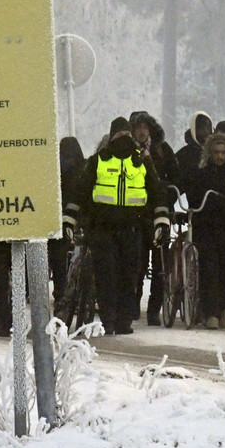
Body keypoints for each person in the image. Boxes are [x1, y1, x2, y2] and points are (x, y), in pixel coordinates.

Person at [64, 117, 170, 335]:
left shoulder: (141, 162)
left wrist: (161, 220)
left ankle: (123, 321)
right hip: (103, 229)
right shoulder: (98, 161)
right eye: (120, 135)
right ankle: (110, 320)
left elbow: (157, 191)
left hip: (132, 228)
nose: (124, 139)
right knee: (107, 275)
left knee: (129, 275)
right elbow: (80, 191)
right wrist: (70, 218)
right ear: (112, 136)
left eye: (126, 135)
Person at [187, 131, 225, 329]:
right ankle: (211, 312)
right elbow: (194, 197)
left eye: (223, 152)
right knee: (209, 269)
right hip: (207, 228)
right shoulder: (201, 173)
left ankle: (221, 307)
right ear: (210, 153)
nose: (219, 156)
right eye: (216, 152)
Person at [128, 111, 178, 326]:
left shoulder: (162, 150)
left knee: (160, 265)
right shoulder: (126, 150)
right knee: (137, 263)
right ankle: (133, 303)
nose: (141, 131)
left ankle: (154, 310)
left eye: (145, 128)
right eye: (138, 128)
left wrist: (167, 196)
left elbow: (177, 177)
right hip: (136, 214)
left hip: (159, 214)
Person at [49, 136, 86, 311]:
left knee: (58, 255)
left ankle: (60, 292)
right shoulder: (83, 168)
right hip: (77, 216)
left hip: (59, 218)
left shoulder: (55, 168)